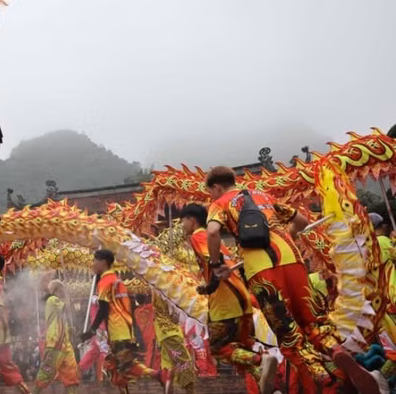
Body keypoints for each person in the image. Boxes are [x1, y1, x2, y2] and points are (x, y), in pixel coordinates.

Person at [204, 166, 377, 394]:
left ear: (216, 186)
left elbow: (213, 232)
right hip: (293, 261)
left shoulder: (220, 203)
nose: (212, 196)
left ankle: (328, 384)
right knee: (314, 325)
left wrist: (217, 265)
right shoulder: (262, 195)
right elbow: (302, 221)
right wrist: (289, 236)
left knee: (290, 337)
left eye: (211, 192)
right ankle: (335, 350)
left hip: (262, 271)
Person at [180, 202, 277, 394]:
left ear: (192, 220)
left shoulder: (200, 235)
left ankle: (260, 359)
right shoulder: (219, 243)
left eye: (182, 221)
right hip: (243, 299)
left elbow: (216, 263)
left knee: (218, 347)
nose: (181, 225)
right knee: (241, 349)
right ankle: (270, 389)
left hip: (226, 302)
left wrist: (209, 288)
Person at [81, 250, 160, 392]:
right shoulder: (117, 280)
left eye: (94, 260)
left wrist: (91, 331)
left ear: (103, 262)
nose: (92, 264)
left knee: (127, 366)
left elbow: (103, 310)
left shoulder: (105, 282)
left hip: (117, 331)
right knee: (115, 369)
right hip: (122, 330)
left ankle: (158, 375)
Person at [34, 280, 80, 394]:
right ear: (57, 290)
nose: (63, 292)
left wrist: (69, 329)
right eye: (61, 290)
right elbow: (68, 307)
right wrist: (68, 295)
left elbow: (60, 320)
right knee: (47, 372)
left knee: (71, 372)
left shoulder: (57, 302)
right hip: (55, 343)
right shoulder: (52, 300)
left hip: (65, 344)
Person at [151, 291, 196, 394]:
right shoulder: (165, 285)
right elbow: (175, 316)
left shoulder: (158, 283)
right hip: (170, 332)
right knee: (183, 363)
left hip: (166, 332)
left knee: (169, 369)